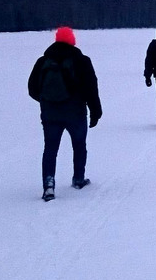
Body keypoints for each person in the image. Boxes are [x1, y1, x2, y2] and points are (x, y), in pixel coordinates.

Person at [27, 26, 102, 201]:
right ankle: (78, 178)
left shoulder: (43, 61)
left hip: (50, 114)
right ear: (72, 40)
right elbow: (91, 88)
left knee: (50, 149)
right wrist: (95, 111)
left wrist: (47, 101)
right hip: (75, 112)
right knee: (79, 145)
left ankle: (49, 185)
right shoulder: (82, 61)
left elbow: (32, 88)